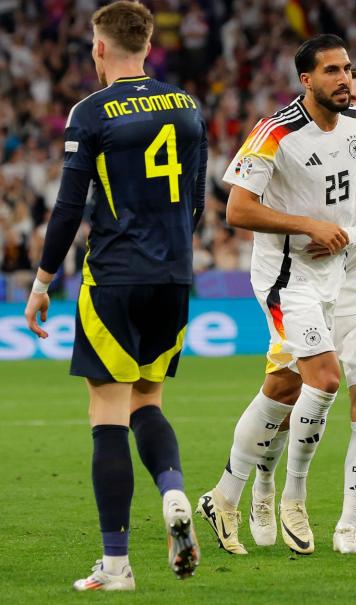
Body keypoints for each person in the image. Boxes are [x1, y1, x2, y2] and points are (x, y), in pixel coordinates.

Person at [23, 0, 206, 590]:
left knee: (107, 415)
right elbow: (199, 198)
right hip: (176, 275)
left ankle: (117, 565)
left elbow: (69, 206)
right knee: (147, 401)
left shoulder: (91, 112)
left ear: (99, 47)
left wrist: (43, 281)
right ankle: (174, 492)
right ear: (148, 44)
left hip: (116, 276)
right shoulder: (186, 105)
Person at [194, 34, 356, 556]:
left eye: (347, 69)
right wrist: (306, 226)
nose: (343, 79)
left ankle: (225, 496)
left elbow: (340, 201)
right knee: (326, 378)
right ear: (307, 80)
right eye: (332, 71)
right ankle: (293, 495)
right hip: (285, 279)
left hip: (329, 277)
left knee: (284, 387)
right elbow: (237, 210)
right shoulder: (275, 132)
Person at [247, 65, 356, 555]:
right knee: (283, 396)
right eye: (353, 98)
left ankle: (347, 527)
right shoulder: (314, 147)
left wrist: (340, 239)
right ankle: (263, 484)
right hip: (308, 291)